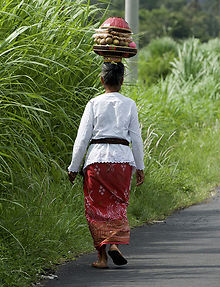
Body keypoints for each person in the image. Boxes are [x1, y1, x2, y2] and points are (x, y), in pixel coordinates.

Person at [67, 61, 145, 268]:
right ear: (122, 81)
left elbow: (82, 139)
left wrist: (74, 167)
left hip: (97, 161)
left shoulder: (93, 103)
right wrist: (140, 166)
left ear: (102, 80)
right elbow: (136, 139)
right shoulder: (129, 104)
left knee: (95, 208)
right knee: (118, 204)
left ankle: (102, 258)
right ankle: (114, 244)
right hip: (122, 162)